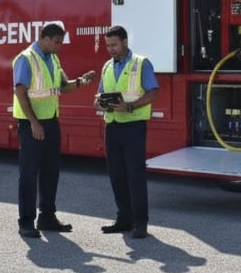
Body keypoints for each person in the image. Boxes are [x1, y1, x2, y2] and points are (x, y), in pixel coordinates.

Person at [12, 21, 97, 238]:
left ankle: (47, 217)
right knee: (29, 174)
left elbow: (61, 86)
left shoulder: (53, 58)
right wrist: (34, 122)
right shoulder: (26, 58)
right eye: (57, 42)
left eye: (61, 42)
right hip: (32, 124)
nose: (60, 46)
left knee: (51, 172)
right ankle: (26, 221)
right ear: (45, 38)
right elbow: (20, 92)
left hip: (51, 121)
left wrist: (80, 82)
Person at [94, 25, 159, 239]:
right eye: (107, 45)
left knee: (135, 176)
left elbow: (153, 91)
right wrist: (99, 103)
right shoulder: (106, 66)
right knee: (117, 175)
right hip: (112, 125)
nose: (110, 49)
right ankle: (123, 219)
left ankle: (140, 223)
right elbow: (100, 94)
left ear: (124, 42)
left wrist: (131, 106)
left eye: (113, 44)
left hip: (133, 126)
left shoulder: (141, 63)